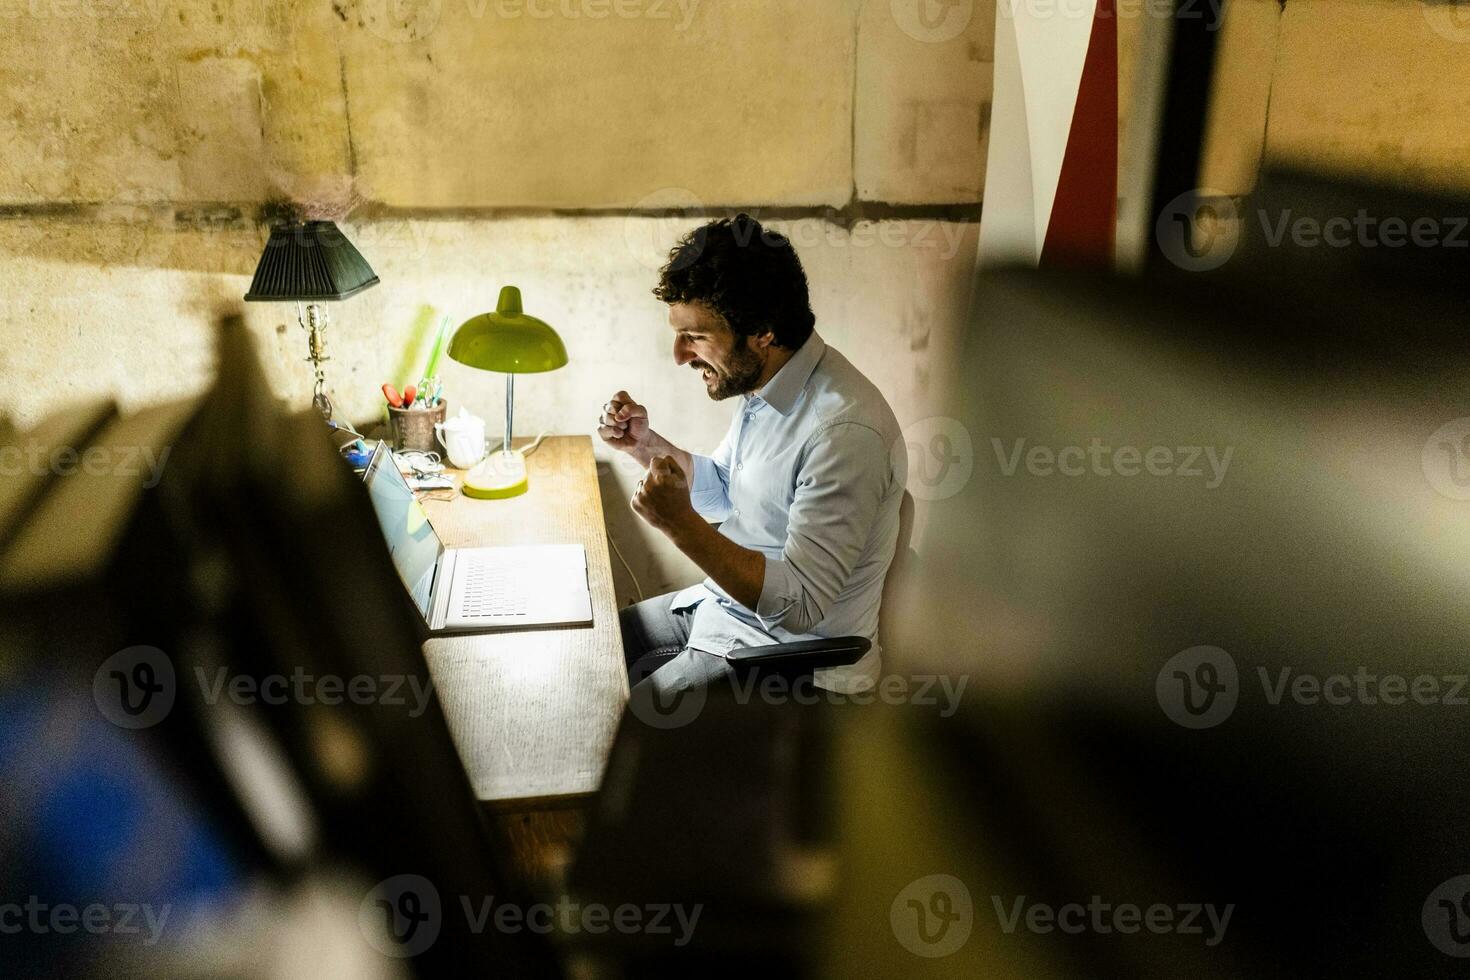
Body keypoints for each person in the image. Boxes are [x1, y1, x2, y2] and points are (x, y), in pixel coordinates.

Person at [597, 213, 906, 697]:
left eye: (695, 336)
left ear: (763, 331)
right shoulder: (768, 385)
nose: (679, 355)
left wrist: (679, 524)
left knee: (617, 720)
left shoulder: (843, 433)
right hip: (727, 614)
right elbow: (726, 490)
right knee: (596, 647)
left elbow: (802, 605)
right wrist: (646, 446)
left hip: (792, 661)